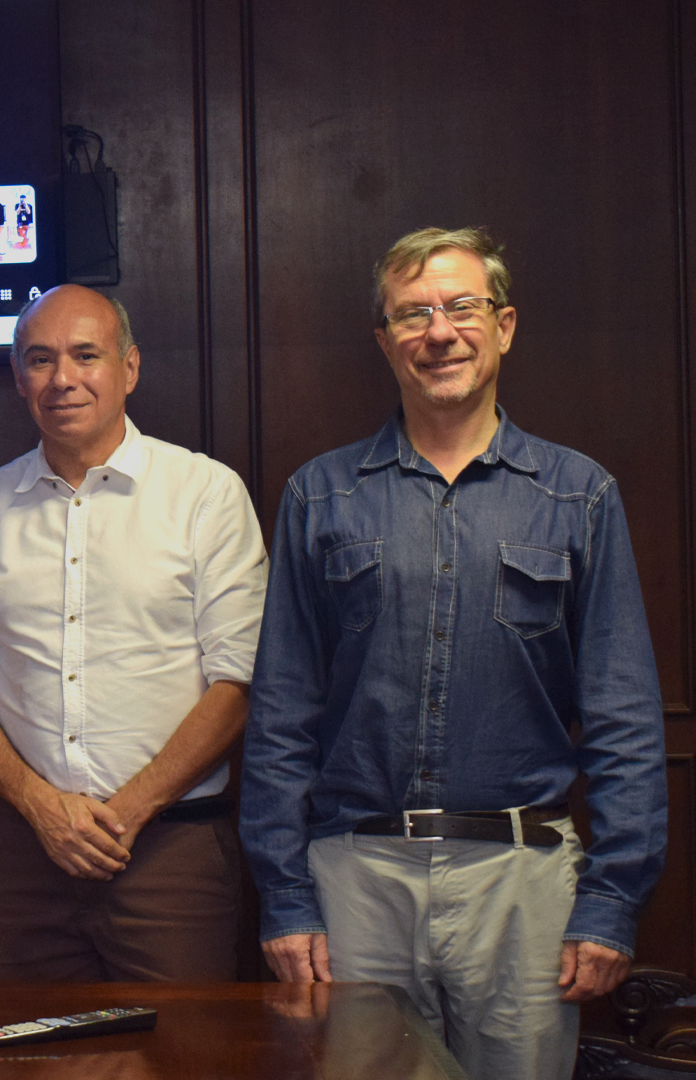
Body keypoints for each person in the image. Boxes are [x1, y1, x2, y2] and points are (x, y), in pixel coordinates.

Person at [241, 227, 666, 1080]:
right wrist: (285, 898)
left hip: (524, 885)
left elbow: (624, 718)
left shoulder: (578, 495)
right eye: (412, 314)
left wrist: (612, 903)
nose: (439, 331)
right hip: (356, 881)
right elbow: (282, 713)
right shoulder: (320, 495)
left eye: (461, 307)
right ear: (385, 340)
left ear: (504, 326)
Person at [0, 285, 266, 982]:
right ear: (19, 378)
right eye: (41, 359)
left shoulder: (205, 494)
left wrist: (127, 811)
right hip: (22, 854)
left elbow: (240, 678)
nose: (64, 378)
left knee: (183, 1063)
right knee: (21, 1058)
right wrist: (42, 808)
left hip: (171, 854)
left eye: (87, 355)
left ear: (129, 368)